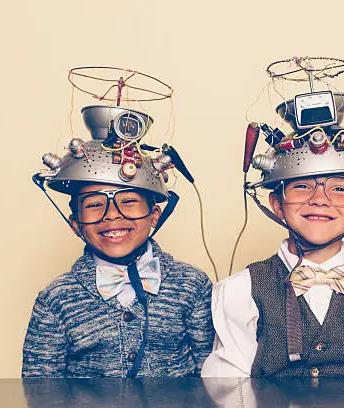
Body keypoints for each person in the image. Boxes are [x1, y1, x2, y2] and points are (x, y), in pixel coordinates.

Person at [202, 91, 344, 378]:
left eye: (340, 188)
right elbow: (229, 389)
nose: (320, 199)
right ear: (277, 205)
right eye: (302, 187)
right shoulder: (238, 291)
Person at [22, 105, 214, 377]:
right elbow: (40, 389)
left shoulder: (192, 285)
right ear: (75, 224)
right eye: (94, 204)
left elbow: (213, 377)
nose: (112, 215)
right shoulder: (56, 298)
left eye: (129, 202)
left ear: (154, 216)